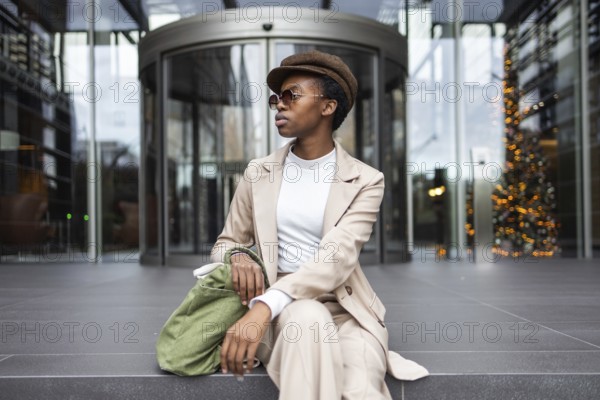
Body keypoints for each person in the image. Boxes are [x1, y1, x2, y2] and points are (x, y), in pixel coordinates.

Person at [210, 50, 428, 400]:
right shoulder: (258, 173)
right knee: (307, 319)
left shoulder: (366, 180)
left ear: (328, 107)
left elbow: (337, 257)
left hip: (346, 311)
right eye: (275, 99)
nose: (279, 105)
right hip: (278, 315)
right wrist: (239, 257)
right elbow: (226, 242)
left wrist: (264, 305)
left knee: (360, 389)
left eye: (291, 95)